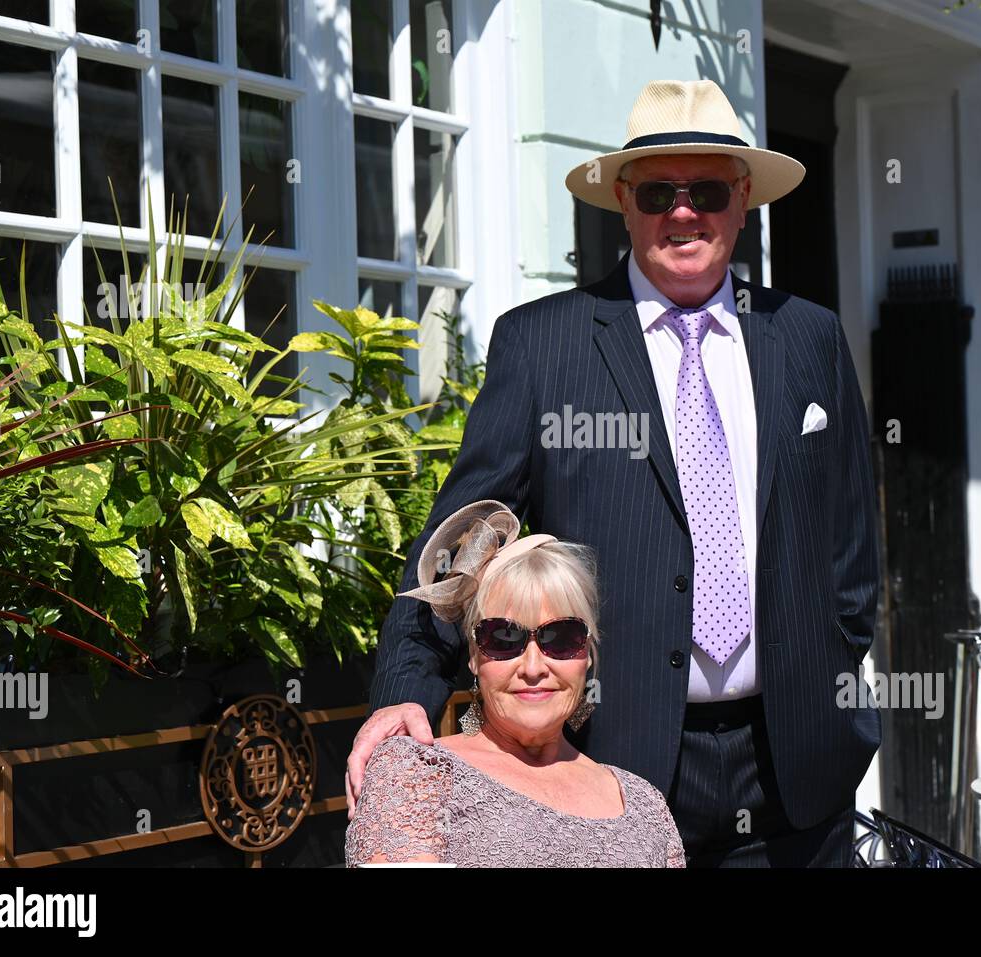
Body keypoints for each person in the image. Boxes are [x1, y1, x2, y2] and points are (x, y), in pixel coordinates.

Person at [348, 78, 880, 867]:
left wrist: (833, 654)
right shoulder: (544, 345)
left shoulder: (808, 337)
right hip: (615, 767)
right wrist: (404, 685)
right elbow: (463, 537)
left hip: (800, 768)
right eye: (659, 191)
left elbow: (852, 543)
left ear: (742, 201)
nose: (683, 211)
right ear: (625, 203)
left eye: (706, 190)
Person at [345, 500, 686, 867]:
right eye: (504, 638)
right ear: (474, 656)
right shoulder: (416, 775)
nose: (534, 667)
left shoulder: (644, 803)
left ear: (586, 652)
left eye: (561, 637)